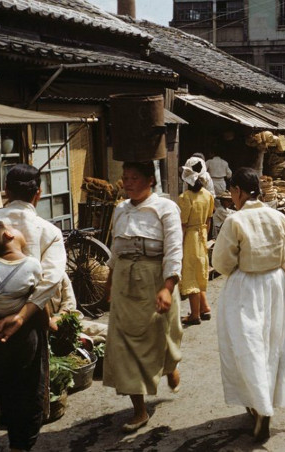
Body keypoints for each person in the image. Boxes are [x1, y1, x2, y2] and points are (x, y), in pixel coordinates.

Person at [0, 163, 66, 452]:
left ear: (5, 191)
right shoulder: (49, 231)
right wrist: (20, 317)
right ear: (38, 195)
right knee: (24, 396)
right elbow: (51, 280)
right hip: (24, 328)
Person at [212, 168, 285, 441]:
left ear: (238, 191)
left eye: (232, 191)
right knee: (271, 345)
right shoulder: (278, 218)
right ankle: (262, 405)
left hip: (245, 290)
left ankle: (259, 406)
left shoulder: (235, 221)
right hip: (277, 288)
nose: (231, 197)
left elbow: (220, 262)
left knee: (247, 347)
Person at [103, 161, 183, 433]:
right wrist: (110, 279)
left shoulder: (166, 208)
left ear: (150, 180)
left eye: (134, 177)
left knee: (163, 332)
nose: (127, 182)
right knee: (123, 344)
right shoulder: (120, 209)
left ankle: (169, 363)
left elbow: (174, 249)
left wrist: (167, 286)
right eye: (125, 177)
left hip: (154, 278)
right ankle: (139, 409)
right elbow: (115, 248)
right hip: (125, 280)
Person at [178, 158, 215, 325]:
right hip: (203, 235)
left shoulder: (185, 197)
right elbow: (208, 220)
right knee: (200, 271)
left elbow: (183, 224)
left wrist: (178, 244)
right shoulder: (208, 196)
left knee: (191, 273)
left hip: (191, 237)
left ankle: (194, 314)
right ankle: (204, 308)